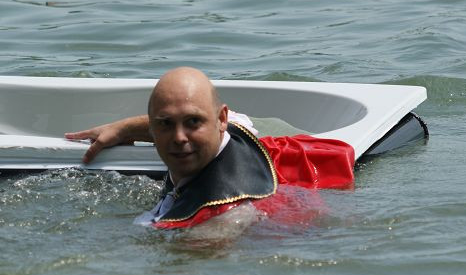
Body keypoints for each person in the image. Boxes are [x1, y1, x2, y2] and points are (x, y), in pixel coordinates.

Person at [64, 67, 355, 228]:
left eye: (193, 122)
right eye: (165, 124)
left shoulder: (215, 217)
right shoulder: (240, 131)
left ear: (221, 120)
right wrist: (126, 127)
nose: (179, 137)